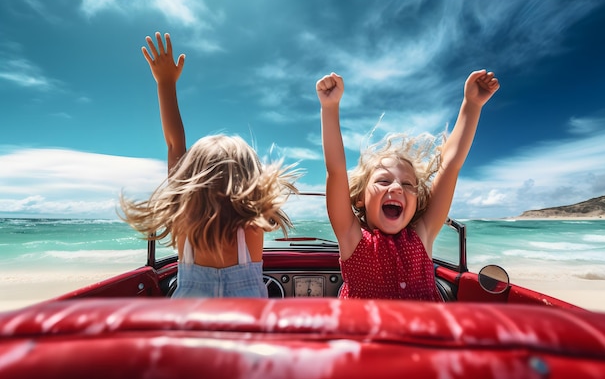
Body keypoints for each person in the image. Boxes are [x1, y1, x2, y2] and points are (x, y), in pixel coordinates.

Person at [119, 32, 300, 298]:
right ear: (249, 183)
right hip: (246, 325)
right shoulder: (253, 227)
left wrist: (165, 83)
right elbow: (175, 146)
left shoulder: (185, 220)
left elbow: (173, 144)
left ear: (190, 184)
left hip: (189, 325)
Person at [316, 70, 500, 300]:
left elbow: (450, 167)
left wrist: (472, 104)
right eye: (383, 181)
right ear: (360, 198)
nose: (397, 188)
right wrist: (330, 107)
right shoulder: (352, 238)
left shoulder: (422, 235)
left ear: (416, 202)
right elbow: (335, 170)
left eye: (407, 184)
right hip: (365, 336)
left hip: (422, 336)